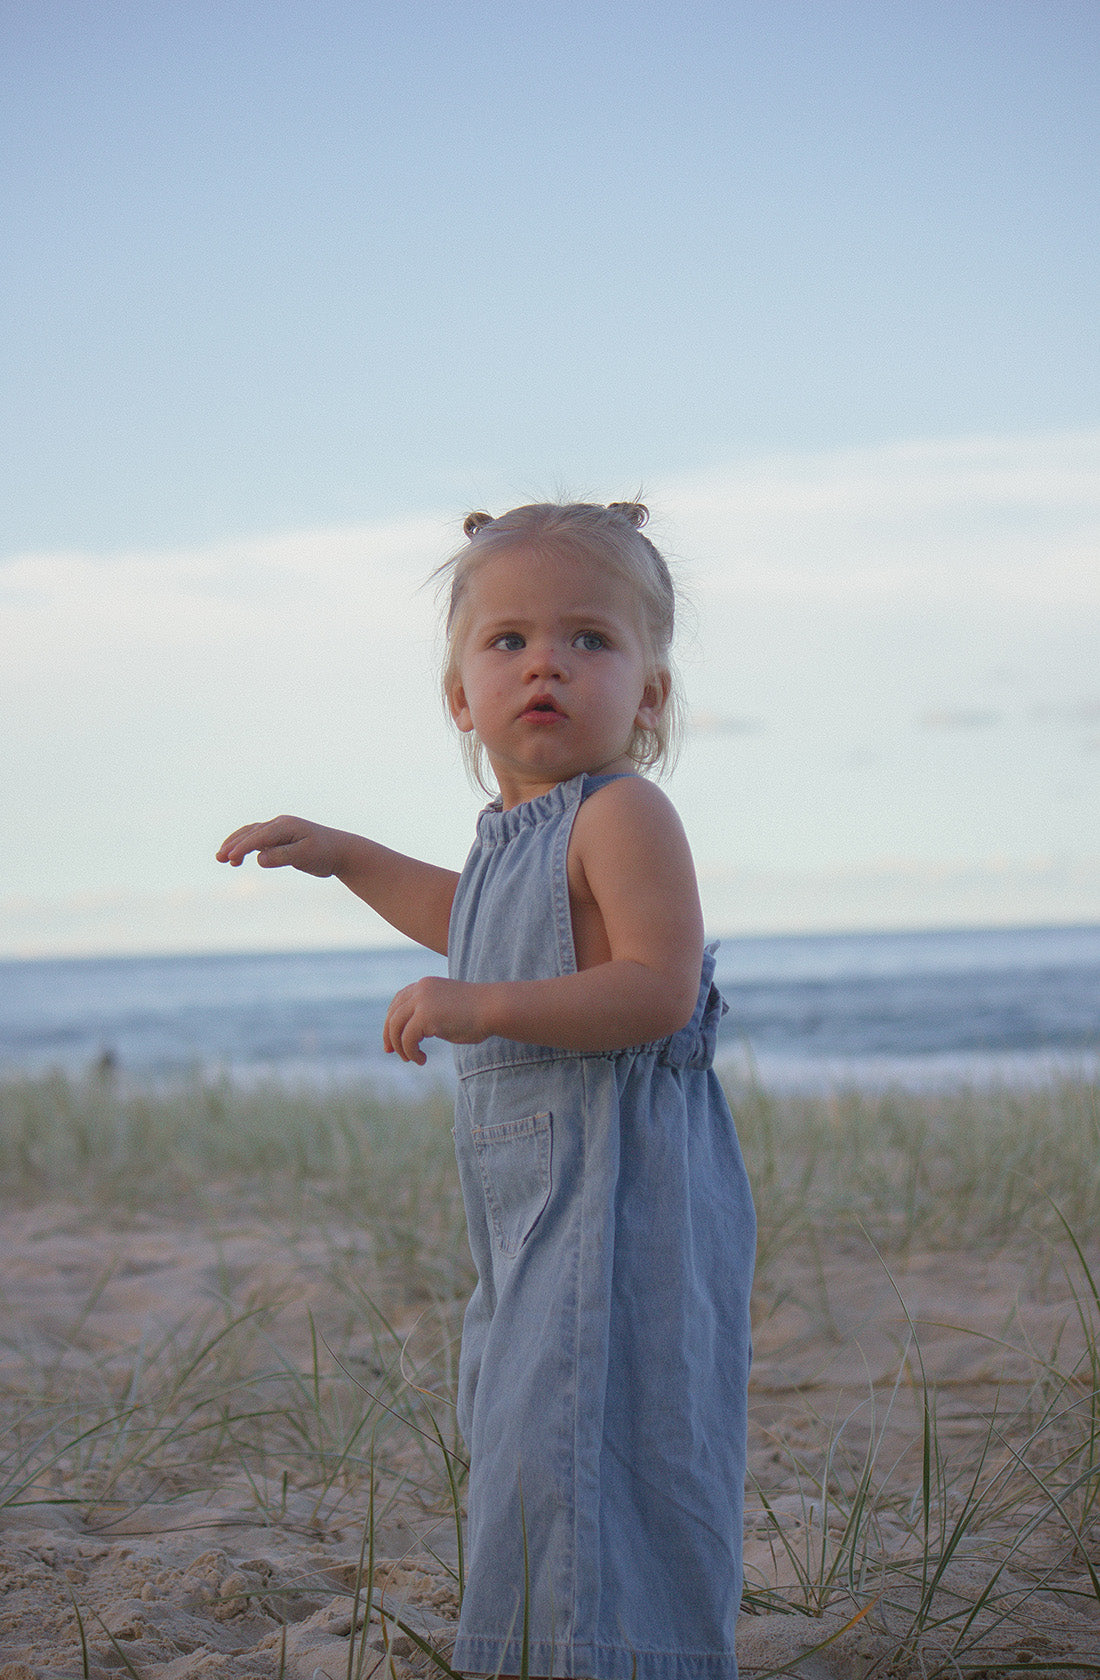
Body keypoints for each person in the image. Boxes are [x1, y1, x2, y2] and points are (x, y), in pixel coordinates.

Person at [217, 501, 756, 1680]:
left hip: (623, 1203)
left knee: (597, 1444)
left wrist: (480, 1006)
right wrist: (346, 854)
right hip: (531, 1213)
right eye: (506, 642)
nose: (544, 662)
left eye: (589, 640)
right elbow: (473, 919)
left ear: (649, 695)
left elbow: (655, 990)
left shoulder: (624, 813)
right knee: (521, 1442)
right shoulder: (514, 836)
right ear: (461, 696)